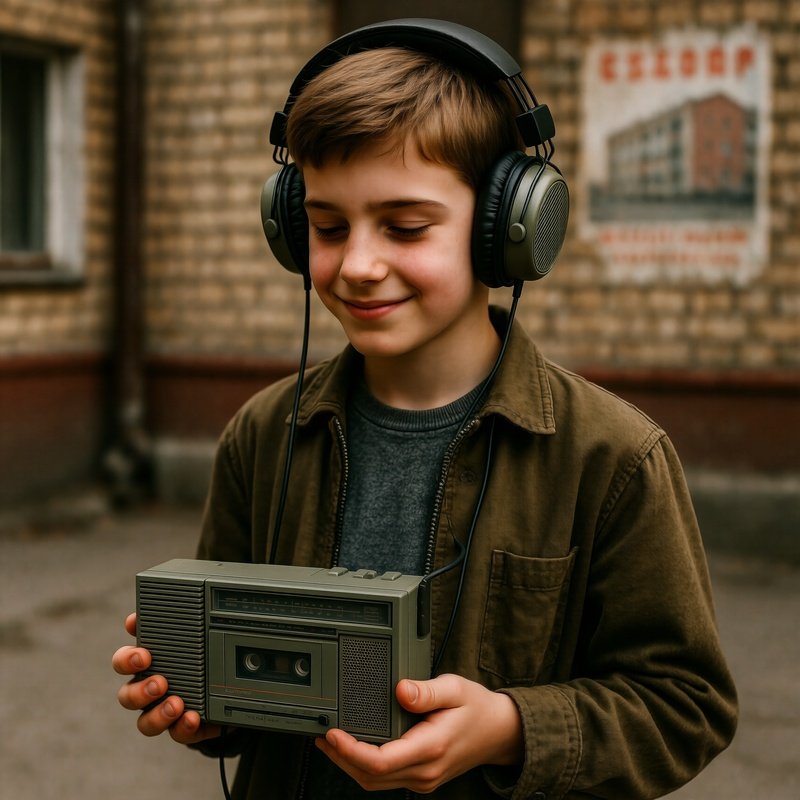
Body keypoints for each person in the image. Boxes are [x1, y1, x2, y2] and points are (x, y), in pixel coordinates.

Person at [113, 20, 737, 800]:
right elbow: (253, 686)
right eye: (328, 227)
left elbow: (686, 707)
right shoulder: (263, 435)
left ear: (503, 231)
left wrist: (509, 727)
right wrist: (201, 701)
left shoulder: (612, 458)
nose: (359, 265)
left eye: (405, 227)